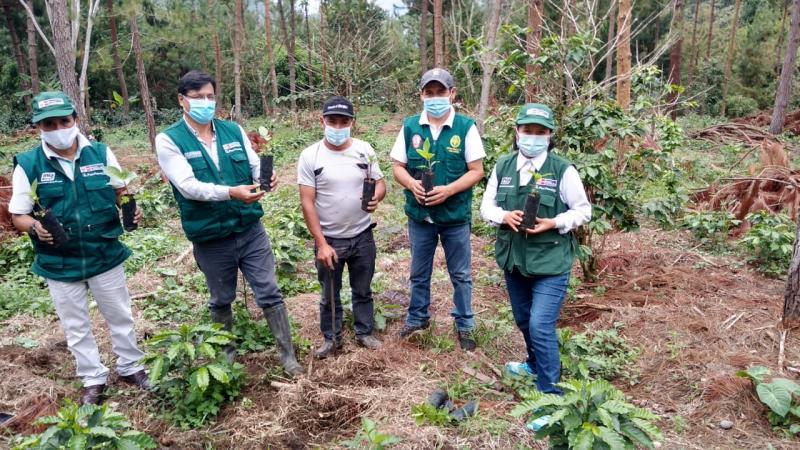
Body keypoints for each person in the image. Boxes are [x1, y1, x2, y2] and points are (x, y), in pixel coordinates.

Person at [155, 71, 302, 377]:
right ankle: (226, 360)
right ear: (181, 100)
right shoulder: (169, 140)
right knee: (221, 298)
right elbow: (188, 186)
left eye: (210, 96)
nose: (206, 102)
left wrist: (265, 175)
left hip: (249, 229)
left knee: (269, 291)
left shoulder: (232, 131)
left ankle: (288, 357)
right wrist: (231, 193)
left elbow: (253, 164)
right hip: (210, 236)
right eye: (198, 97)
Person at [9, 91, 150, 405]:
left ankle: (131, 366)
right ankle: (92, 378)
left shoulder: (99, 153)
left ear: (75, 119)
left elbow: (120, 190)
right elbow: (18, 214)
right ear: (38, 127)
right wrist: (35, 227)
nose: (58, 129)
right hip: (59, 262)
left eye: (64, 121)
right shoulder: (29, 165)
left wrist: (130, 208)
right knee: (76, 325)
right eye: (49, 124)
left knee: (120, 314)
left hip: (104, 252)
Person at [479, 103, 591, 401]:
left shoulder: (562, 170)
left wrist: (554, 222)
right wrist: (504, 216)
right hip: (514, 260)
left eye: (540, 132)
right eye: (527, 130)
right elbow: (486, 206)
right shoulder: (503, 166)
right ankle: (533, 364)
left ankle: (550, 395)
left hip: (550, 262)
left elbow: (583, 211)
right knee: (523, 319)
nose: (533, 137)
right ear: (517, 132)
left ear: (550, 135)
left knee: (540, 325)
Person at [390, 68, 485, 351]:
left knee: (461, 275)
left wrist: (449, 190)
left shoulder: (465, 128)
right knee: (419, 272)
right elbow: (398, 166)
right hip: (420, 217)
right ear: (421, 95)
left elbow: (476, 170)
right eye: (429, 92)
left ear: (452, 93)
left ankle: (465, 323)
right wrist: (411, 183)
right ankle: (417, 318)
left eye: (440, 92)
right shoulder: (410, 127)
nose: (435, 98)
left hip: (455, 217)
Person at [298, 96, 386, 358]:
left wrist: (376, 196)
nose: (338, 127)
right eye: (332, 121)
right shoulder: (310, 156)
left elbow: (380, 183)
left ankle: (364, 332)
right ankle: (331, 338)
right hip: (330, 239)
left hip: (362, 235)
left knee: (363, 289)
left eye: (343, 122)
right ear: (322, 121)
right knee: (329, 294)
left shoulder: (364, 150)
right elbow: (307, 202)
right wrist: (321, 244)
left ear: (352, 123)